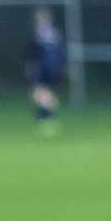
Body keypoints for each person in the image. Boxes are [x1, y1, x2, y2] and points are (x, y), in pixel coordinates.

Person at [26, 7, 64, 136]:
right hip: (53, 68)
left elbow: (32, 52)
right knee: (45, 94)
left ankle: (47, 119)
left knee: (39, 94)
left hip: (43, 68)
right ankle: (48, 119)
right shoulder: (56, 33)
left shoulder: (39, 33)